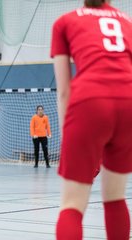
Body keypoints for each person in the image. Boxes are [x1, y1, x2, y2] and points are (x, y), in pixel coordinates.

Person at [51, 0, 132, 239]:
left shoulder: (64, 22)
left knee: (72, 204)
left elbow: (64, 90)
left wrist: (70, 138)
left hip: (90, 101)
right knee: (115, 196)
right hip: (128, 102)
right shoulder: (127, 21)